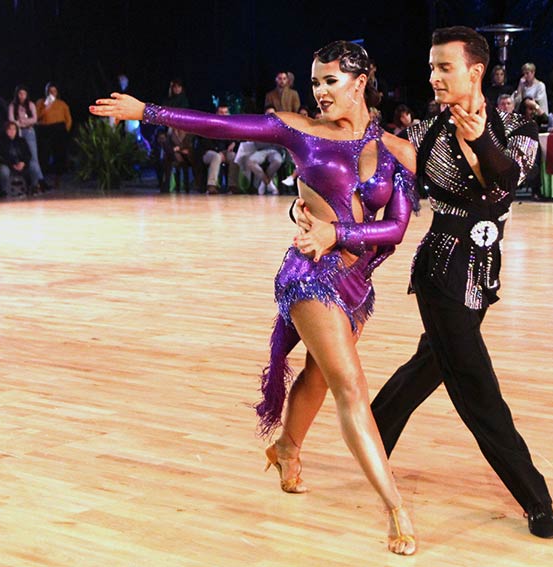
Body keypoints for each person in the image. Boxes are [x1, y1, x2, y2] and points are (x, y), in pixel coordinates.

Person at [90, 40, 420, 556]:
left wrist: (338, 234)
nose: (319, 91)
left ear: (360, 83)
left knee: (319, 375)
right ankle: (395, 508)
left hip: (357, 282)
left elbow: (396, 228)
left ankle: (286, 448)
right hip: (309, 276)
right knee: (351, 386)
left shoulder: (398, 151)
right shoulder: (298, 130)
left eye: (330, 81)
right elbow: (220, 127)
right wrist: (147, 112)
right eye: (315, 81)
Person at [365, 26, 553, 540]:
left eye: (444, 67)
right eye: (431, 67)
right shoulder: (427, 131)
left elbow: (506, 180)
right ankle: (535, 498)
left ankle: (370, 436)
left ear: (476, 72)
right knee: (475, 385)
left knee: (431, 363)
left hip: (484, 272)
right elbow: (379, 165)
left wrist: (479, 140)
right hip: (441, 273)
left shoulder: (516, 127)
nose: (433, 76)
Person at [8, 85, 48, 192]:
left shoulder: (30, 105)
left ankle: (41, 180)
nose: (22, 96)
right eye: (20, 93)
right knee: (21, 155)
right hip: (18, 132)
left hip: (29, 132)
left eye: (24, 94)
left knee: (33, 157)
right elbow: (11, 119)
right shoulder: (12, 105)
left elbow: (34, 119)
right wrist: (19, 124)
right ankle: (28, 181)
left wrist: (22, 122)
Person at [36, 82, 73, 185]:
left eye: (54, 91)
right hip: (45, 129)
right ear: (46, 92)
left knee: (59, 154)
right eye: (50, 91)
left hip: (58, 129)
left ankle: (57, 178)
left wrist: (65, 130)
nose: (52, 93)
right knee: (44, 154)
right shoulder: (40, 102)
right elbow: (37, 116)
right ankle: (42, 179)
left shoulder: (62, 104)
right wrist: (46, 106)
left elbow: (68, 119)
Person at [0, 120, 41, 197]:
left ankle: (34, 187)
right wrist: (12, 165)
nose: (12, 131)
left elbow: (28, 154)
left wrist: (23, 162)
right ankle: (3, 191)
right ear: (6, 130)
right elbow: (2, 157)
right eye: (10, 129)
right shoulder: (1, 142)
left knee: (34, 166)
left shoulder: (22, 140)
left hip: (22, 164)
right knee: (3, 170)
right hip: (9, 165)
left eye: (14, 129)